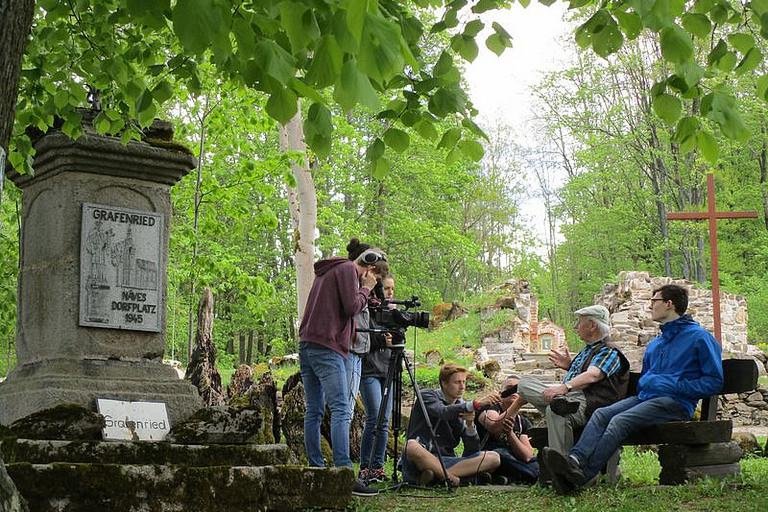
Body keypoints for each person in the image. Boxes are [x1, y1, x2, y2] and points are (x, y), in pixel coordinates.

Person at [544, 284, 724, 494]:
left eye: (654, 301)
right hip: (646, 398)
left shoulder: (699, 338)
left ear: (669, 304)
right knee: (602, 414)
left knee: (620, 421)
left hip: (676, 403)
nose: (650, 306)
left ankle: (581, 476)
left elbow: (713, 382)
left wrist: (671, 385)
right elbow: (648, 376)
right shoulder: (657, 343)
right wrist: (649, 383)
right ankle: (574, 460)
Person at [298, 240, 384, 497]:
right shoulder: (348, 269)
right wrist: (366, 290)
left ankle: (316, 467)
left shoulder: (329, 270)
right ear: (368, 268)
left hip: (308, 344)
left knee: (314, 410)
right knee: (341, 408)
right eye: (375, 277)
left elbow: (340, 307)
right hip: (328, 348)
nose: (373, 282)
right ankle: (344, 472)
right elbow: (351, 307)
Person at [514, 304, 629, 455]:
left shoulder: (608, 351)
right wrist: (570, 367)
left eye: (580, 322)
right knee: (524, 384)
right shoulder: (588, 349)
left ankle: (561, 465)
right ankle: (560, 403)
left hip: (590, 405)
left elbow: (593, 375)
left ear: (592, 325)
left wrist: (564, 387)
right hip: (571, 399)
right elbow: (587, 373)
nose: (576, 326)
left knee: (555, 410)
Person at [400, 363, 502, 487]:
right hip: (422, 458)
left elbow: (471, 451)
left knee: (494, 458)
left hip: (445, 460)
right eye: (457, 382)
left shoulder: (462, 405)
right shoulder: (427, 395)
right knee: (411, 446)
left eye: (464, 382)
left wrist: (470, 425)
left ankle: (438, 476)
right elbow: (443, 412)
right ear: (444, 383)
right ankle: (454, 478)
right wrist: (475, 405)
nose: (462, 387)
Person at [358, 274, 397, 484]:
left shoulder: (393, 314)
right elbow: (361, 338)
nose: (389, 293)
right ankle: (366, 466)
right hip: (370, 370)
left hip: (388, 370)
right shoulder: (368, 310)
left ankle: (378, 467)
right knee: (374, 417)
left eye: (392, 289)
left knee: (384, 421)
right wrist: (381, 340)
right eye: (386, 288)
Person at [346, 239, 389, 418]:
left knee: (383, 420)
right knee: (346, 411)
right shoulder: (356, 288)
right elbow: (355, 320)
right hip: (362, 360)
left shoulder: (373, 293)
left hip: (382, 363)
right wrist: (366, 288)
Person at [476, 375, 539, 484]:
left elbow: (527, 455)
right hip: (489, 456)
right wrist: (518, 403)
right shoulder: (490, 408)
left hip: (512, 458)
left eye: (517, 388)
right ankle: (528, 476)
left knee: (535, 462)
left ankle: (506, 478)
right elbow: (494, 426)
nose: (513, 391)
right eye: (509, 388)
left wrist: (510, 434)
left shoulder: (522, 421)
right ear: (501, 393)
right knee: (501, 453)